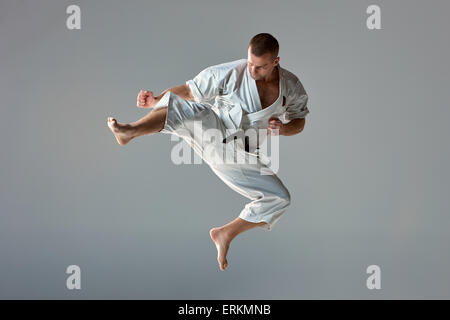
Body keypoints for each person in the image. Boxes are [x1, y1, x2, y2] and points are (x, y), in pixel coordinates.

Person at [107, 33, 310, 271]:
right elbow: (190, 90)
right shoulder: (233, 72)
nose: (252, 71)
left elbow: (299, 120)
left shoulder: (292, 86)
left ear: (275, 62)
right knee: (189, 110)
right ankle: (130, 131)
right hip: (214, 129)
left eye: (260, 67)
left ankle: (225, 233)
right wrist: (156, 99)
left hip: (237, 155)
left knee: (280, 197)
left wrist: (283, 129)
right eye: (250, 63)